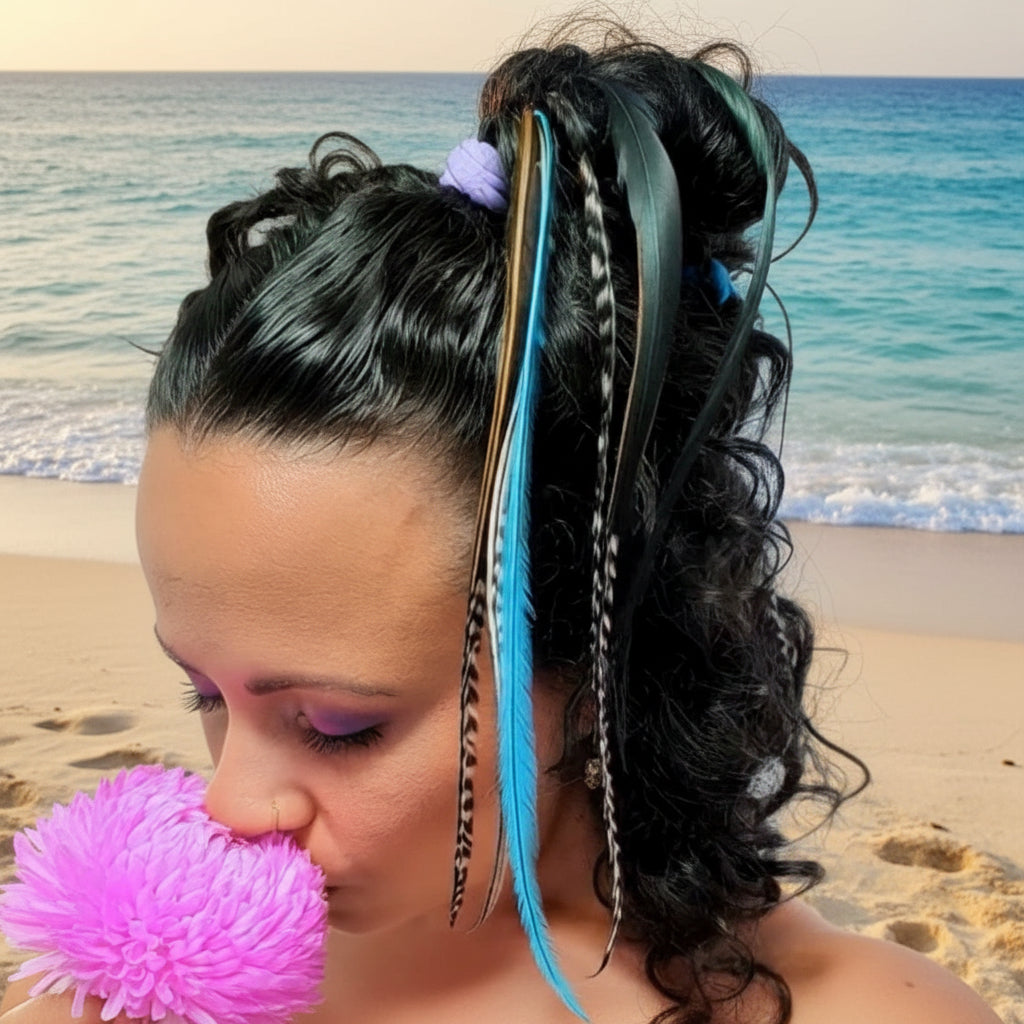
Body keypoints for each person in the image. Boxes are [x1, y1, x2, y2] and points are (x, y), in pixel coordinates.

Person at [0, 21, 1001, 1024]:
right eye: (204, 691)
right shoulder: (159, 971)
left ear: (601, 663)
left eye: (339, 727)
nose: (229, 804)